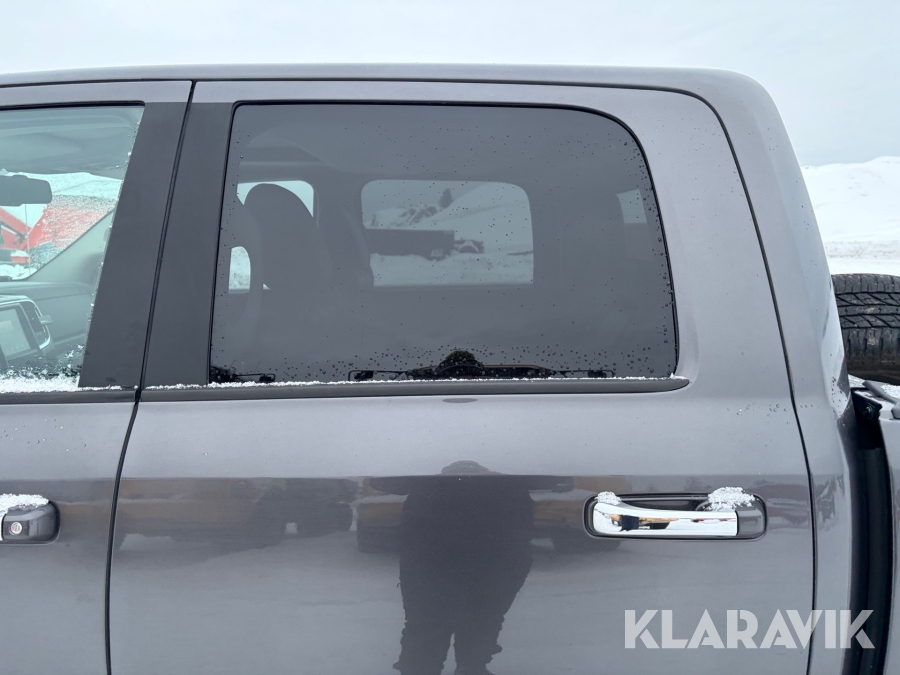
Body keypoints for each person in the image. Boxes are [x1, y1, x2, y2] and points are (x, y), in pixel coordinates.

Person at [378, 461, 536, 675]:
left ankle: (425, 668)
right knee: (483, 618)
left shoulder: (426, 487)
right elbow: (521, 535)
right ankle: (471, 667)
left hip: (430, 565)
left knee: (427, 622)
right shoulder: (508, 487)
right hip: (490, 566)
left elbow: (409, 536)